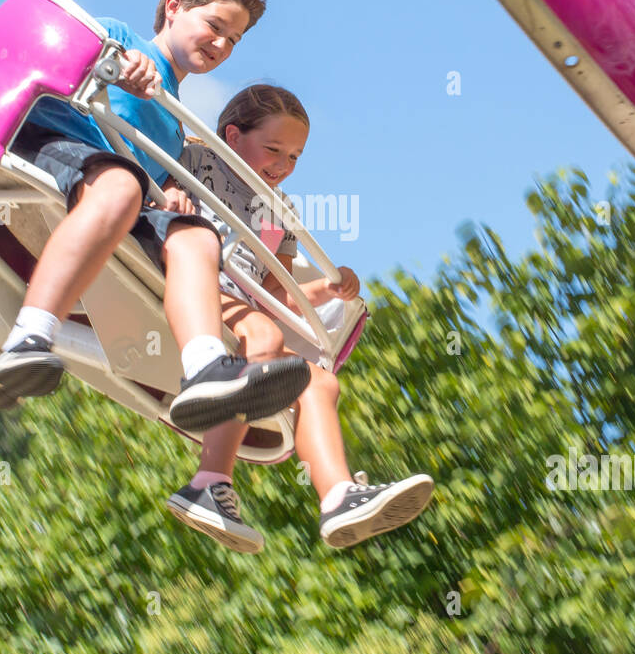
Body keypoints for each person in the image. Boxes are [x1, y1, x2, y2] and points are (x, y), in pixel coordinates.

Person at [0, 0, 310, 429]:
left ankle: (205, 366)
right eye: (215, 27)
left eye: (234, 39)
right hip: (65, 148)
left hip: (125, 197)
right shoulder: (119, 38)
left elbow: (152, 170)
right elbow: (63, 55)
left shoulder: (173, 127)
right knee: (122, 183)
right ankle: (29, 337)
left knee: (199, 239)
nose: (222, 45)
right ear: (174, 6)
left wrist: (170, 188)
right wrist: (117, 65)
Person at [162, 84, 434, 552]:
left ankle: (338, 497)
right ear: (232, 135)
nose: (284, 166)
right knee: (264, 339)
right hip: (197, 279)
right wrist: (170, 193)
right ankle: (209, 480)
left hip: (243, 302)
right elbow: (159, 190)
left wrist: (328, 288)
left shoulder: (279, 212)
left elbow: (276, 296)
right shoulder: (198, 159)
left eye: (294, 157)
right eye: (274, 150)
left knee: (319, 383)